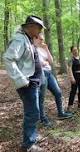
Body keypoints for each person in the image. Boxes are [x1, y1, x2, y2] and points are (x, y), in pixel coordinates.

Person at [3, 15, 45, 152]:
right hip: (28, 84)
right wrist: (21, 79)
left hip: (34, 83)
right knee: (32, 113)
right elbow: (8, 59)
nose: (40, 31)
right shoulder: (19, 39)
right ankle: (28, 145)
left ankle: (31, 138)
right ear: (31, 26)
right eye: (39, 28)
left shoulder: (28, 39)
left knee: (34, 112)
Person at [34, 33, 73, 124]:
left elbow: (51, 61)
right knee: (41, 97)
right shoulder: (33, 48)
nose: (42, 41)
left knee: (58, 92)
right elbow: (37, 62)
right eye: (40, 39)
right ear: (35, 38)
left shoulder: (43, 49)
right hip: (40, 73)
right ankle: (42, 119)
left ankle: (61, 113)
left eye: (43, 39)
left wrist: (46, 49)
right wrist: (43, 62)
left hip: (49, 73)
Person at [67, 46, 80, 111]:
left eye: (76, 50)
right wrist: (72, 78)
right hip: (75, 76)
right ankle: (70, 106)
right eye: (74, 50)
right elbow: (69, 69)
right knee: (73, 91)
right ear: (72, 51)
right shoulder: (71, 59)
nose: (76, 51)